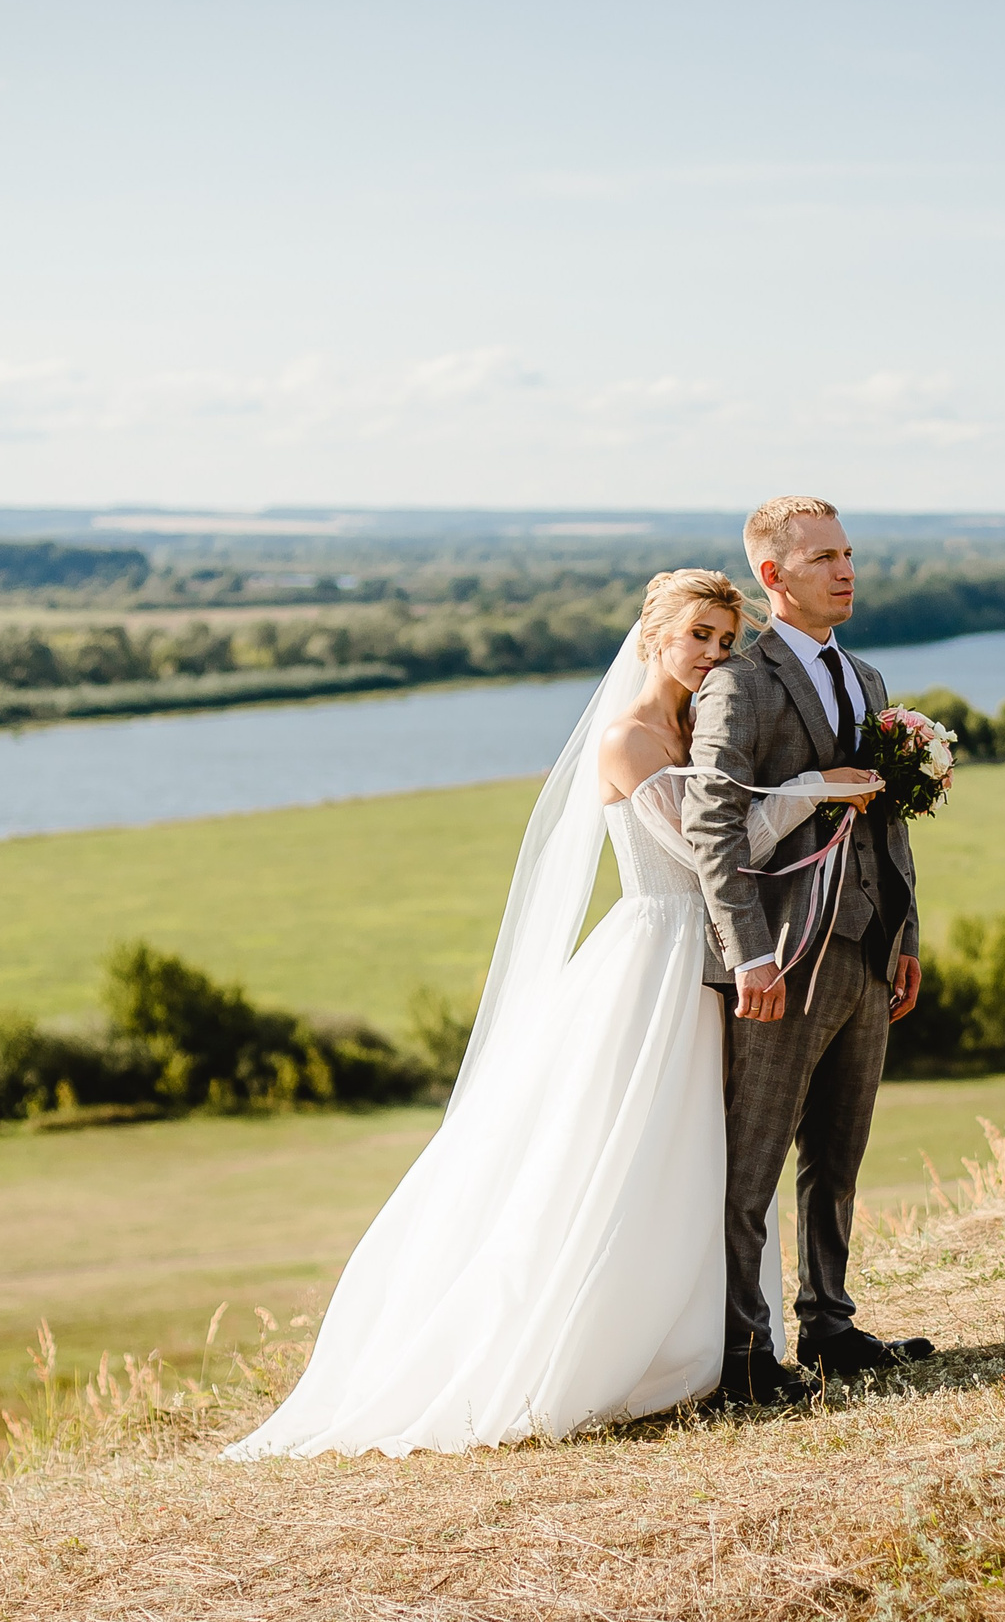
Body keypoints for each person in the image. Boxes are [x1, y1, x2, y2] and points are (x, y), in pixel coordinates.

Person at [222, 567, 879, 1458]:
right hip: (662, 958)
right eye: (699, 637)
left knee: (717, 1158)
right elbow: (701, 854)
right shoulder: (630, 738)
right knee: (637, 1150)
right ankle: (606, 1345)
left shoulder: (706, 727)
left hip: (718, 958)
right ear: (654, 636)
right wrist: (809, 793)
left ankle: (721, 1346)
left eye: (727, 642)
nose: (715, 656)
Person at [684, 496, 934, 1407]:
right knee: (749, 1165)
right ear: (773, 575)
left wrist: (904, 932)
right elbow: (711, 822)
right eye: (824, 556)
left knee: (840, 1151)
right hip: (781, 965)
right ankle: (744, 1355)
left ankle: (829, 1322)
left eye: (849, 553)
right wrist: (747, 954)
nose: (846, 569)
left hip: (869, 952)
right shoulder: (739, 684)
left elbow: (890, 817)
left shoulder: (864, 677)